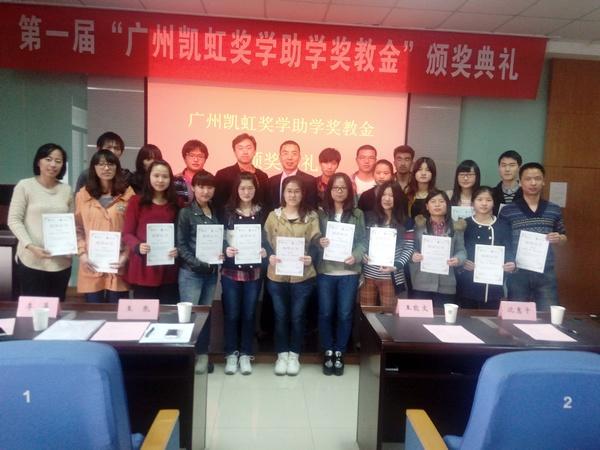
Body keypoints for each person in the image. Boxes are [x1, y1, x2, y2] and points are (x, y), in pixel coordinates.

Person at [264, 176, 320, 376]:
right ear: (283, 193)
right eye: (289, 191)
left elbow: (317, 242)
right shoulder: (273, 215)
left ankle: (294, 355)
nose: (293, 195)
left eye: (297, 191)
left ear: (302, 193)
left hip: (302, 277)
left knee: (297, 316)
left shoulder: (311, 216)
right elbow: (265, 242)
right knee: (280, 316)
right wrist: (269, 256)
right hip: (277, 276)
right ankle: (282, 355)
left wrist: (311, 257)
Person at [8, 143, 72, 301]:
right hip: (31, 260)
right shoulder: (24, 186)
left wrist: (71, 246)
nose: (53, 164)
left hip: (60, 262)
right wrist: (30, 246)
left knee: (56, 309)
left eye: (58, 161)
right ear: (38, 161)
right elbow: (14, 220)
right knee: (33, 310)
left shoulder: (67, 190)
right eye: (48, 159)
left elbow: (71, 223)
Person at [317, 173, 366, 376]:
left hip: (348, 271)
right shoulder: (320, 213)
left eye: (343, 188)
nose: (339, 191)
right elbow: (313, 237)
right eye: (335, 188)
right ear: (329, 190)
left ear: (349, 191)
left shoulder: (357, 213)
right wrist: (319, 241)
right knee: (326, 312)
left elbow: (362, 241)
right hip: (326, 270)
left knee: (345, 313)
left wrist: (356, 255)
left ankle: (340, 351)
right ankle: (328, 350)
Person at [499, 163, 566, 310]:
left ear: (544, 181)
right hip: (517, 273)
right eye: (528, 179)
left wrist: (559, 238)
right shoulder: (507, 211)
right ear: (520, 183)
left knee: (548, 315)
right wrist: (508, 261)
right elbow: (503, 242)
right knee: (517, 316)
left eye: (537, 178)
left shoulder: (554, 209)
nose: (533, 183)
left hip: (545, 273)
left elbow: (563, 237)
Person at [221, 173, 268, 375]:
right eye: (242, 188)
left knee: (249, 314)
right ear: (236, 190)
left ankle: (246, 353)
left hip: (254, 272)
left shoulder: (262, 212)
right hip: (231, 271)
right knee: (232, 313)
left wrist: (266, 250)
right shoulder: (227, 211)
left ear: (255, 190)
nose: (246, 192)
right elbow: (218, 237)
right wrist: (225, 248)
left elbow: (268, 238)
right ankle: (231, 353)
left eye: (250, 188)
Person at [176, 172, 223, 374]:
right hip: (191, 274)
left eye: (210, 187)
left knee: (205, 315)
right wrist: (199, 264)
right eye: (201, 187)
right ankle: (188, 356)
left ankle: (203, 355)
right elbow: (181, 246)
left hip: (211, 273)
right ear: (193, 188)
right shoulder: (185, 213)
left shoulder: (216, 211)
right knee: (189, 317)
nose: (205, 191)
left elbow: (220, 239)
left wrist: (223, 252)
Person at [75, 150, 134, 303]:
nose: (106, 168)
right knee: (94, 311)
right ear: (93, 168)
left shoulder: (128, 195)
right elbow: (77, 228)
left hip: (118, 263)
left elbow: (133, 230)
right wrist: (82, 254)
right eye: (101, 164)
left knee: (117, 312)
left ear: (117, 167)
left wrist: (125, 256)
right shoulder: (83, 195)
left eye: (110, 164)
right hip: (91, 263)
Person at [123, 160, 180, 304]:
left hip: (168, 266)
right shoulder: (136, 201)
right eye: (156, 175)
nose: (160, 180)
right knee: (145, 313)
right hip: (143, 266)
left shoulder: (177, 203)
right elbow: (127, 233)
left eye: (165, 176)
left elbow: (181, 234)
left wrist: (178, 248)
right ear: (149, 177)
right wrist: (137, 246)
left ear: (170, 179)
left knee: (168, 313)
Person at [457, 186, 515, 309]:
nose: (484, 203)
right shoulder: (464, 224)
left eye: (488, 200)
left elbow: (509, 249)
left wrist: (511, 263)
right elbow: (457, 249)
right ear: (473, 202)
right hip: (468, 284)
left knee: (491, 318)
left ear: (494, 203)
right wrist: (462, 263)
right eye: (479, 199)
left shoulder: (503, 225)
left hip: (493, 286)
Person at [359, 181, 414, 307]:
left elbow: (408, 247)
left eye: (391, 195)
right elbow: (362, 241)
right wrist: (362, 254)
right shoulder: (369, 218)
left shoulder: (406, 222)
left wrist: (396, 265)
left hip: (391, 276)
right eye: (384, 195)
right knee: (367, 313)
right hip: (368, 275)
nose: (387, 199)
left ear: (398, 198)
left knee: (390, 314)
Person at [410, 190, 466, 307]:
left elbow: (461, 250)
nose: (437, 205)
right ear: (427, 206)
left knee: (443, 317)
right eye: (433, 201)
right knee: (420, 317)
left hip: (447, 284)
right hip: (422, 281)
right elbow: (411, 247)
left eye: (441, 201)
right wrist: (413, 255)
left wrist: (458, 259)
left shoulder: (456, 227)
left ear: (447, 205)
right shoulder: (418, 227)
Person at [214, 133, 269, 217]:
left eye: (249, 148)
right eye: (240, 148)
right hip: (230, 220)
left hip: (258, 220)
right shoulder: (223, 175)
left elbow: (265, 203)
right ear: (234, 151)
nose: (245, 152)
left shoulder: (262, 176)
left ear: (254, 151)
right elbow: (218, 203)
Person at [266, 140, 317, 211]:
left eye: (294, 154)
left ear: (299, 157)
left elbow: (311, 208)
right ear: (280, 157)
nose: (289, 157)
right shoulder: (271, 181)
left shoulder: (310, 181)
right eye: (285, 153)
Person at [492, 150, 523, 215]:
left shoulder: (526, 193)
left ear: (519, 168)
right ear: (499, 168)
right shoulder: (491, 193)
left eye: (512, 165)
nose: (507, 169)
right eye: (503, 165)